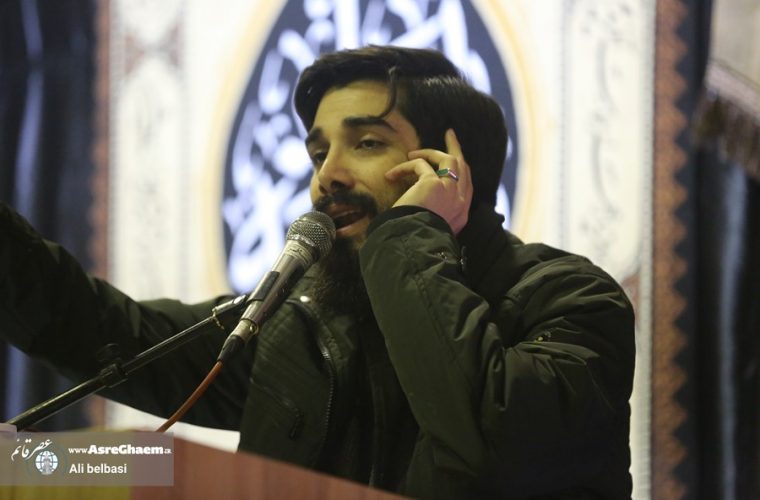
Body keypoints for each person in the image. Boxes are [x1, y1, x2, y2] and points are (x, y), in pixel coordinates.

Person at [0, 46, 635, 498]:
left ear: (451, 168)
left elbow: (491, 443)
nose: (325, 176)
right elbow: (105, 330)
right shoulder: (299, 327)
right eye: (318, 151)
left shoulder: (568, 300)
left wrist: (410, 236)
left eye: (366, 143)